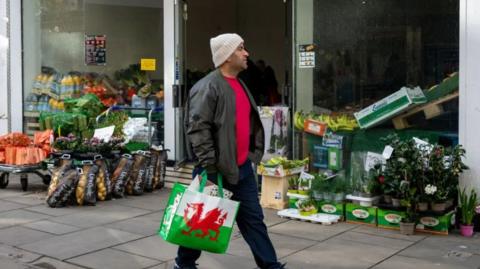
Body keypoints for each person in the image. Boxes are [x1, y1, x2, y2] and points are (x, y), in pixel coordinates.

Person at [176, 33, 286, 269]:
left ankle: (271, 266)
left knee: (254, 222)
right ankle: (183, 265)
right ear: (226, 56)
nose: (246, 54)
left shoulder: (240, 83)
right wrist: (210, 166)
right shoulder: (207, 87)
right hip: (215, 169)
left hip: (242, 169)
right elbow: (198, 128)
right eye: (240, 49)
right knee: (201, 221)